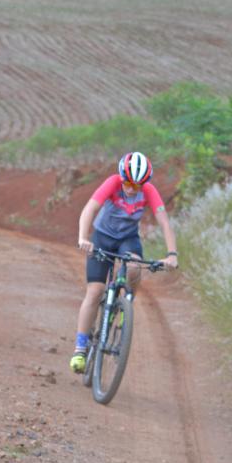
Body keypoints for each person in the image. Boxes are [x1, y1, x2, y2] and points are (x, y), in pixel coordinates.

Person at [70, 151, 178, 373]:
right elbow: (90, 209)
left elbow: (165, 223)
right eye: (128, 183)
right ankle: (80, 349)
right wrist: (83, 237)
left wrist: (172, 254)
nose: (131, 189)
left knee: (134, 268)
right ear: (122, 177)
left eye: (137, 186)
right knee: (95, 290)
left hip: (127, 239)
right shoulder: (112, 183)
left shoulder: (148, 190)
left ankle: (127, 301)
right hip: (102, 237)